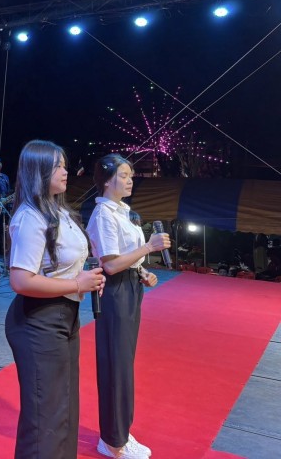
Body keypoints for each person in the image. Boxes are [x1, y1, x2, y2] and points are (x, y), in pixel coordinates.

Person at [5, 140, 105, 459]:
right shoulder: (31, 217)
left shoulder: (59, 211)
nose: (65, 171)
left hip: (65, 316)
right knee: (45, 417)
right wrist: (76, 282)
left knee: (64, 407)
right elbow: (21, 280)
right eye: (58, 166)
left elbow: (60, 265)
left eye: (64, 165)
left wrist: (85, 279)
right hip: (38, 320)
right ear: (39, 171)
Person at [86, 153, 170, 459]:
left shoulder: (123, 212)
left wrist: (142, 271)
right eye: (123, 175)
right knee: (116, 365)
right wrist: (149, 247)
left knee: (123, 363)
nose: (130, 180)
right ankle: (112, 441)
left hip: (131, 287)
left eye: (131, 175)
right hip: (115, 292)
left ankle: (120, 432)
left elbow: (127, 259)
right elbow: (110, 264)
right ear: (107, 181)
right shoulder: (103, 215)